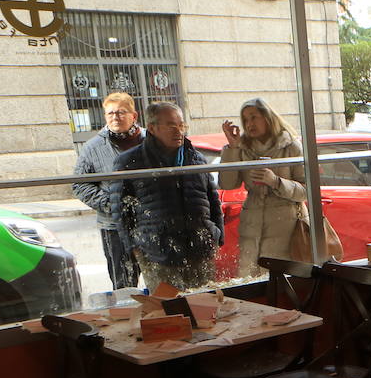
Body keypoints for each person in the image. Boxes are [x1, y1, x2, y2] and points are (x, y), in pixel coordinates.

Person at [112, 102, 224, 292]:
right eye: (171, 125)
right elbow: (120, 209)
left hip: (200, 249)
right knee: (168, 311)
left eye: (181, 125)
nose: (178, 131)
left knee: (206, 307)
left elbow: (213, 199)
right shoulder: (129, 161)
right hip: (158, 253)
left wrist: (217, 235)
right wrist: (134, 247)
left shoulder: (196, 159)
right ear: (153, 128)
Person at [218, 98, 306, 278]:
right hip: (252, 226)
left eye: (253, 117)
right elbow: (227, 184)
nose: (250, 124)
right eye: (245, 120)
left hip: (286, 227)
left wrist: (276, 181)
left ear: (267, 117)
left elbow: (306, 190)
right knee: (252, 283)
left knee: (282, 283)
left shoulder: (291, 146)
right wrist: (232, 148)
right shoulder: (242, 148)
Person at [71, 91, 144, 289]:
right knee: (123, 285)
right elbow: (79, 184)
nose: (115, 117)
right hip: (114, 226)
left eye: (121, 112)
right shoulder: (93, 147)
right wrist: (110, 203)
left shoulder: (149, 141)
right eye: (110, 113)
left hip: (150, 223)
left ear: (133, 116)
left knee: (162, 281)